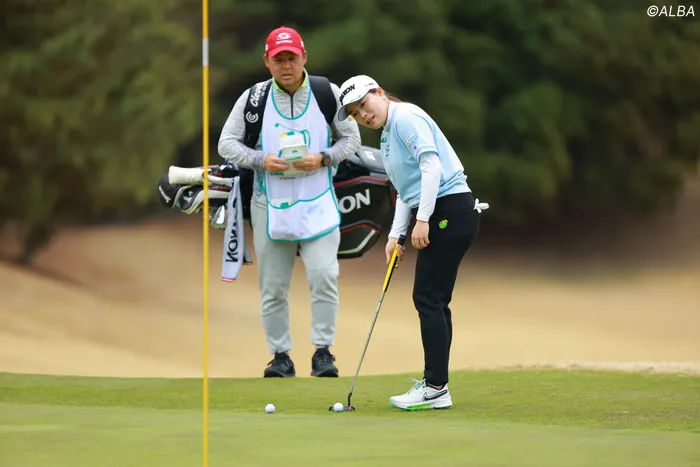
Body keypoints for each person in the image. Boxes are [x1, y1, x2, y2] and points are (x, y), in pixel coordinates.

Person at [336, 75, 488, 410]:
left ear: (380, 93)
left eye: (364, 104)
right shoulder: (388, 135)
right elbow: (407, 190)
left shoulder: (405, 117)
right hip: (442, 211)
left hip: (449, 209)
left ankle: (435, 388)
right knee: (434, 299)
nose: (363, 115)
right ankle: (436, 385)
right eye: (356, 113)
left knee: (428, 298)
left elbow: (431, 167)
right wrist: (395, 235)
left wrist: (423, 220)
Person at [217, 27, 362, 378]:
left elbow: (352, 139)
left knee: (324, 278)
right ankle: (280, 356)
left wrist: (324, 157)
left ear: (304, 58)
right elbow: (227, 143)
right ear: (267, 61)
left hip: (318, 201)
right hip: (269, 205)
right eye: (278, 59)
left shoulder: (327, 93)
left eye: (292, 58)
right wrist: (260, 159)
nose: (286, 65)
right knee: (272, 287)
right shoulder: (253, 99)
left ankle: (323, 353)